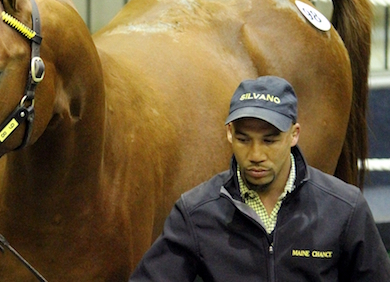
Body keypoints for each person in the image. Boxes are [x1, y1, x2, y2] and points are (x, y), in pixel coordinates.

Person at [129, 75, 390, 281]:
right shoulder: (196, 212)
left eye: (270, 140)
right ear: (229, 133)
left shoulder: (344, 208)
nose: (255, 155)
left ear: (294, 134)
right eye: (244, 140)